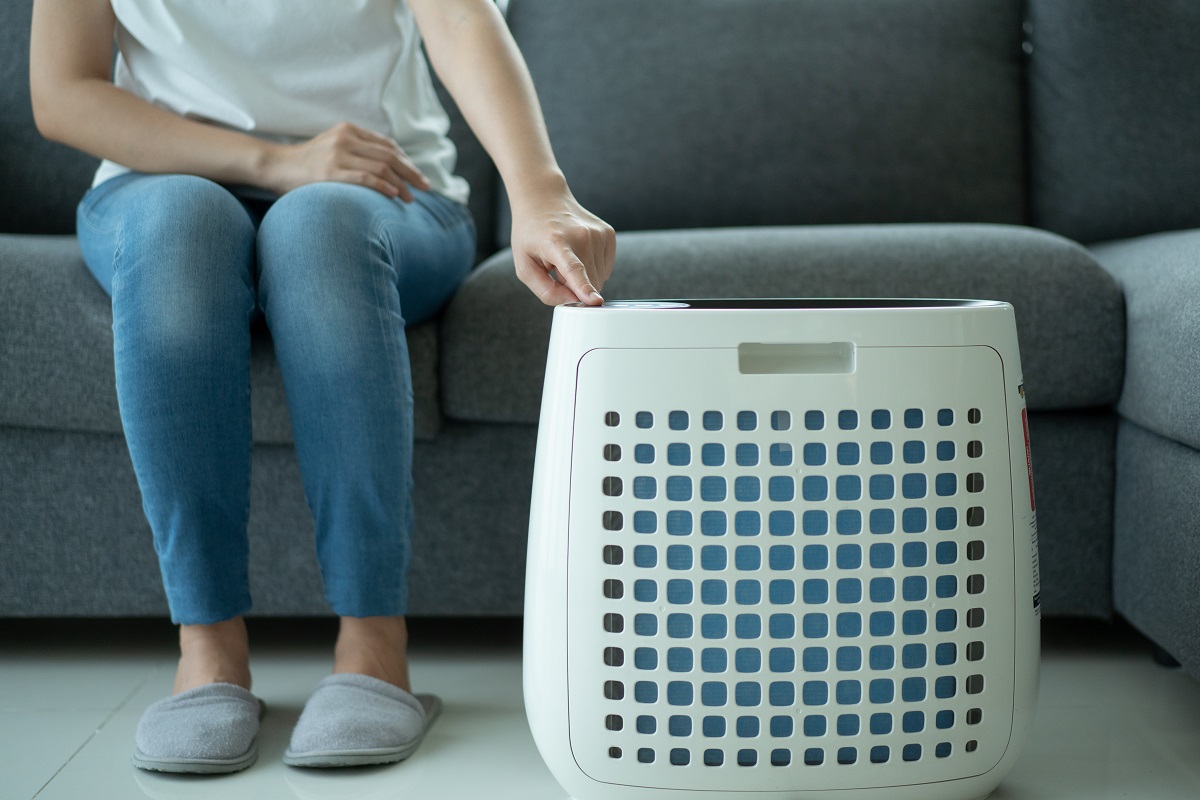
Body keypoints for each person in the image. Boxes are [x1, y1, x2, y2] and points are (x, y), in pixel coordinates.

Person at [29, 0, 615, 774]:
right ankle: (208, 650)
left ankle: (374, 645)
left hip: (384, 193)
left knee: (316, 229)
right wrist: (277, 160)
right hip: (159, 178)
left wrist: (540, 191)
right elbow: (63, 91)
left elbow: (461, 21)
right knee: (180, 225)